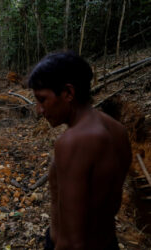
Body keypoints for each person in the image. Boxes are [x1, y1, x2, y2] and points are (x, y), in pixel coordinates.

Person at [28, 51, 131, 250]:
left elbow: (72, 242)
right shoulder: (117, 130)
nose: (38, 110)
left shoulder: (73, 142)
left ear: (68, 93)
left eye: (42, 100)